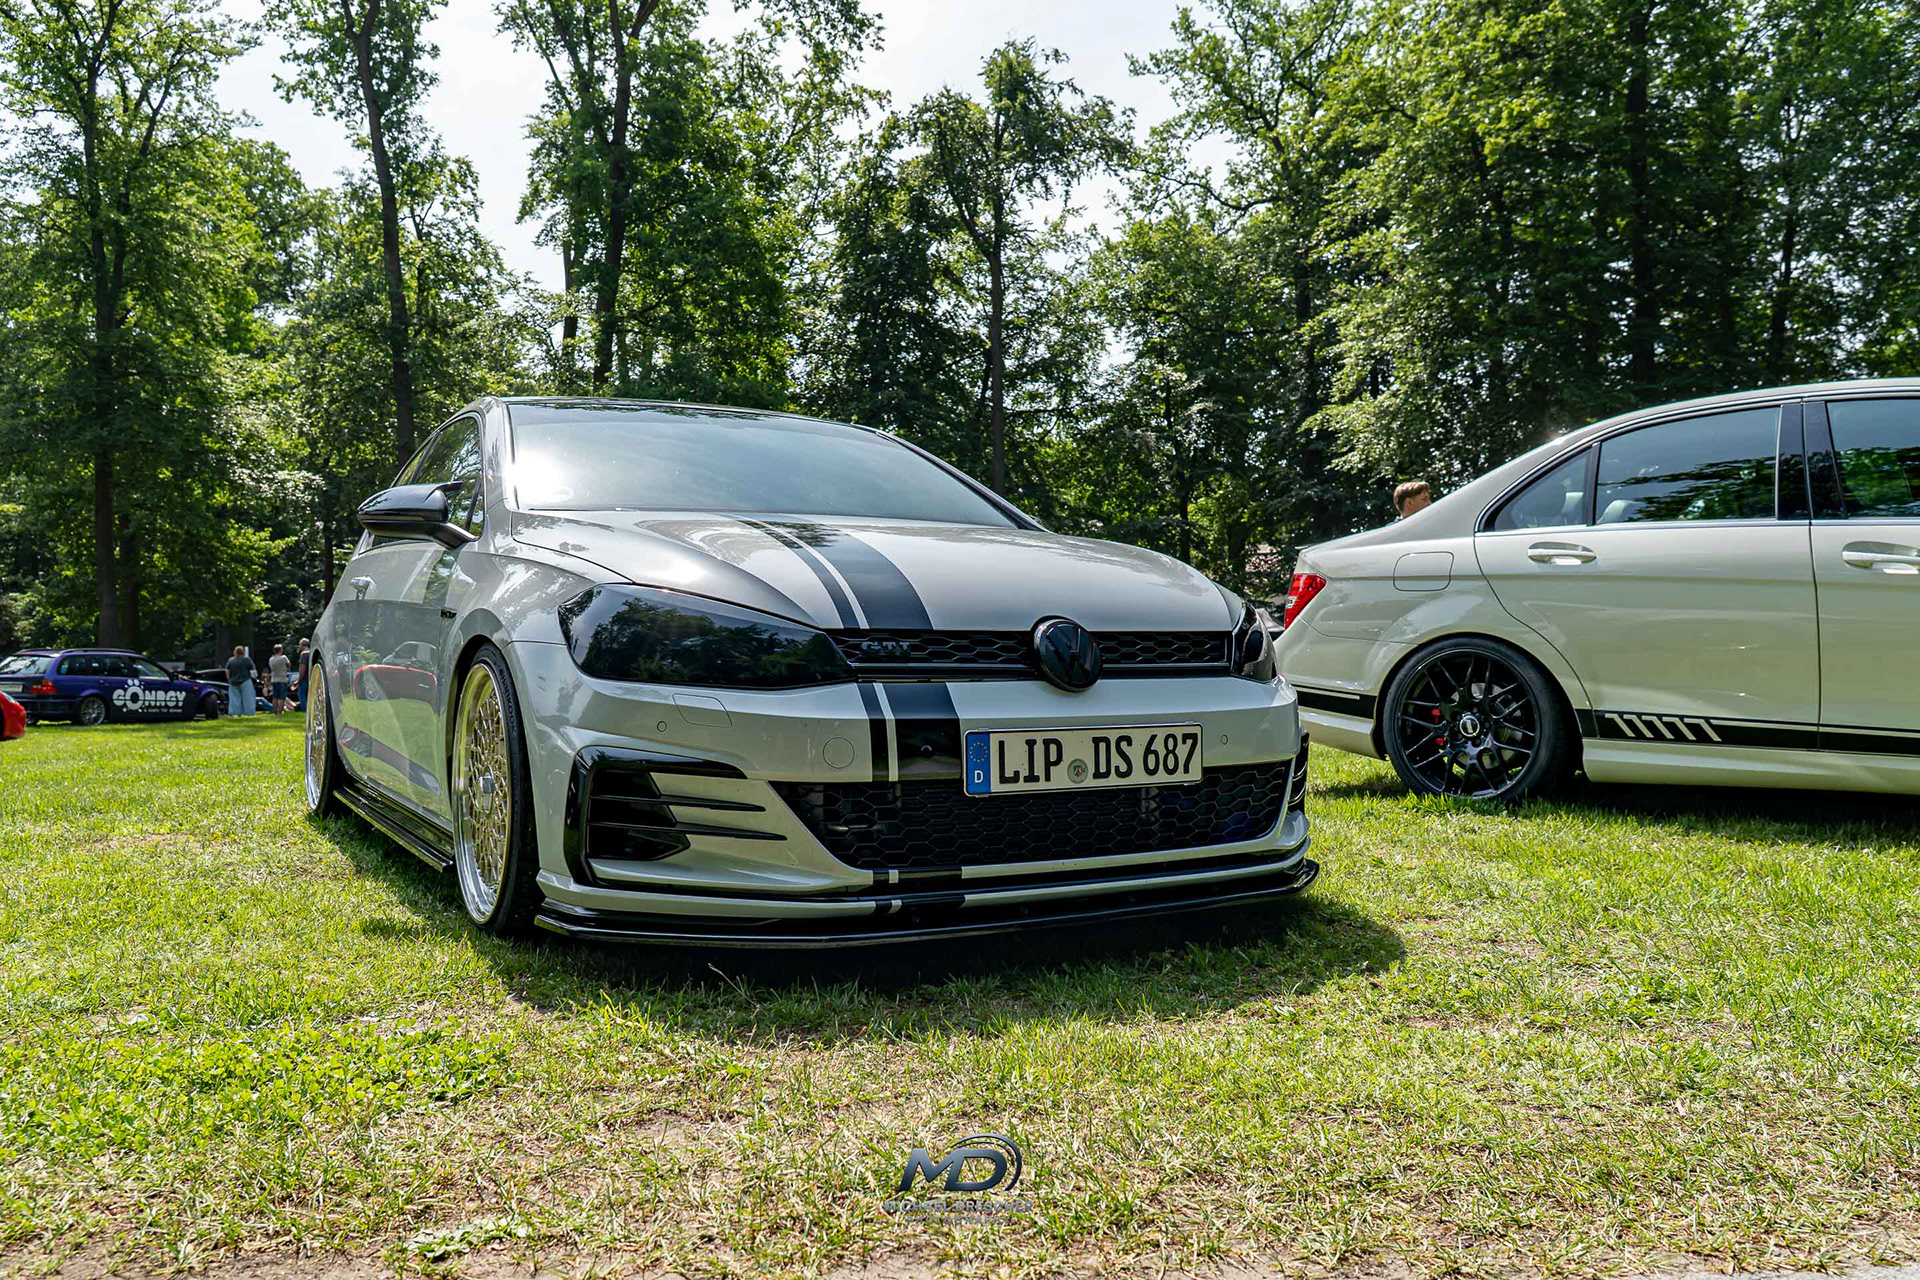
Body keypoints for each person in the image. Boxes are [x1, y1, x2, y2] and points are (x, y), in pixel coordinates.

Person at [225, 645, 257, 718]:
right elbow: (253, 670)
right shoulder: (247, 659)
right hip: (245, 681)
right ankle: (249, 713)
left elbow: (227, 671)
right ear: (243, 652)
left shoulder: (231, 660)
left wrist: (229, 679)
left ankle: (235, 713)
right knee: (248, 698)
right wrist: (254, 678)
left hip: (233, 682)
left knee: (234, 698)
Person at [267, 643, 293, 714]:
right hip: (282, 679)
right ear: (280, 650)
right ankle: (280, 711)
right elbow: (289, 665)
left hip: (274, 679)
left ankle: (275, 711)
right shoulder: (283, 658)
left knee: (275, 696)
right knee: (282, 697)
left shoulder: (271, 659)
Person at [293, 638, 312, 711]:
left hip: (304, 679)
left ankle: (304, 711)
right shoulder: (311, 652)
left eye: (299, 645)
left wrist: (298, 681)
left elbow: (302, 669)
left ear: (302, 645)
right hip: (311, 678)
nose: (299, 646)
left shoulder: (304, 654)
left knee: (302, 697)